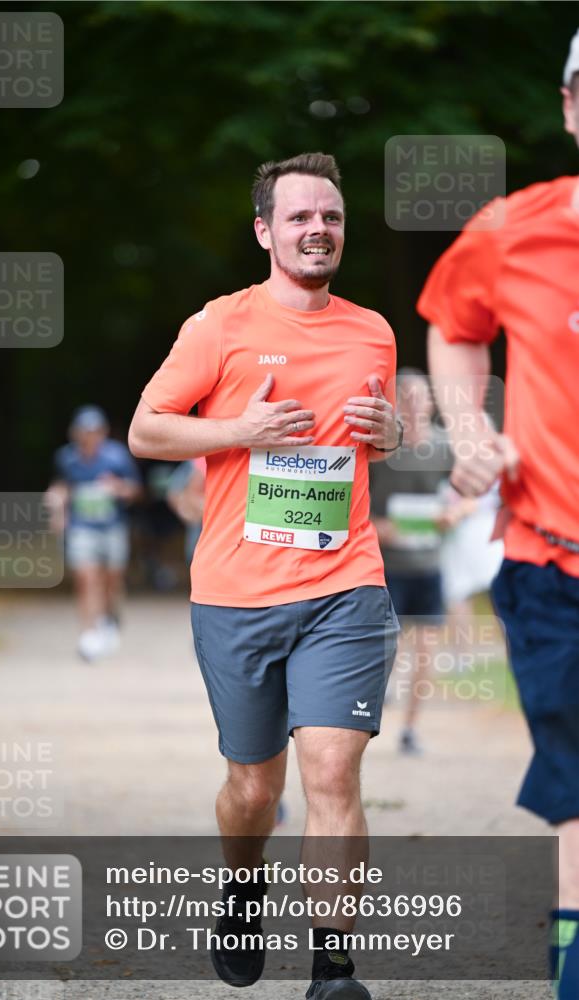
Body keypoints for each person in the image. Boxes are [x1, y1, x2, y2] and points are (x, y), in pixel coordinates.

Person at [129, 152, 401, 1000]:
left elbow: (378, 441)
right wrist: (239, 431)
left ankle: (333, 969)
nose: (318, 229)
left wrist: (392, 434)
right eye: (299, 217)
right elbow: (146, 430)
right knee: (253, 787)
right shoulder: (218, 325)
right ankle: (244, 889)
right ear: (263, 231)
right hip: (236, 595)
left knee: (332, 772)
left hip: (344, 584)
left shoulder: (373, 331)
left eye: (331, 217)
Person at [417, 31, 579, 1000]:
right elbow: (452, 327)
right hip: (550, 559)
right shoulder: (513, 230)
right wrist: (470, 428)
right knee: (574, 769)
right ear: (569, 107)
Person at [369, 369, 470, 754]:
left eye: (420, 397)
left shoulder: (445, 446)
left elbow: (470, 494)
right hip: (385, 568)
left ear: (431, 402)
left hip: (428, 567)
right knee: (384, 652)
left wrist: (455, 513)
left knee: (425, 653)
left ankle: (410, 729)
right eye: (406, 398)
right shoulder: (379, 450)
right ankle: (366, 718)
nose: (413, 405)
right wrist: (376, 526)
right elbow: (353, 501)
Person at [46, 406, 142, 662]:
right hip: (82, 528)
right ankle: (88, 633)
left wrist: (118, 488)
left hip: (112, 526)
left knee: (112, 580)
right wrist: (57, 506)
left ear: (103, 432)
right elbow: (62, 486)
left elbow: (135, 490)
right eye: (85, 431)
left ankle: (109, 619)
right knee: (86, 579)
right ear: (75, 433)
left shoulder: (117, 456)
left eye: (95, 431)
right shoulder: (66, 458)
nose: (90, 436)